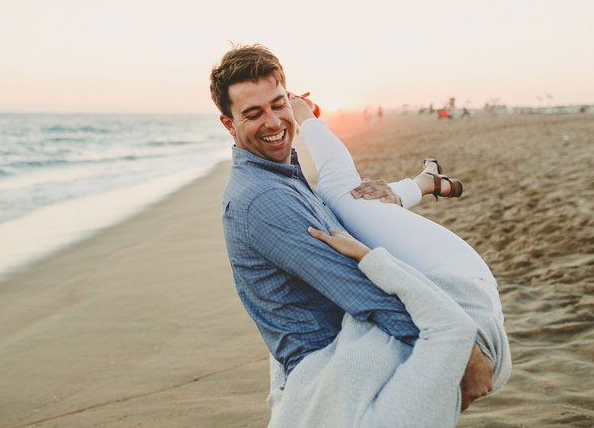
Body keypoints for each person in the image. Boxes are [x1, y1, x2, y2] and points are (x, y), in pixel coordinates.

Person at [211, 44, 501, 425]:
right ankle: (418, 185)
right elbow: (360, 291)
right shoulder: (265, 199)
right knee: (343, 195)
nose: (272, 122)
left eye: (278, 104)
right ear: (228, 124)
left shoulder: (278, 174)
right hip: (341, 375)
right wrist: (459, 357)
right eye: (253, 113)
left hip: (350, 353)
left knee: (344, 197)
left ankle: (414, 186)